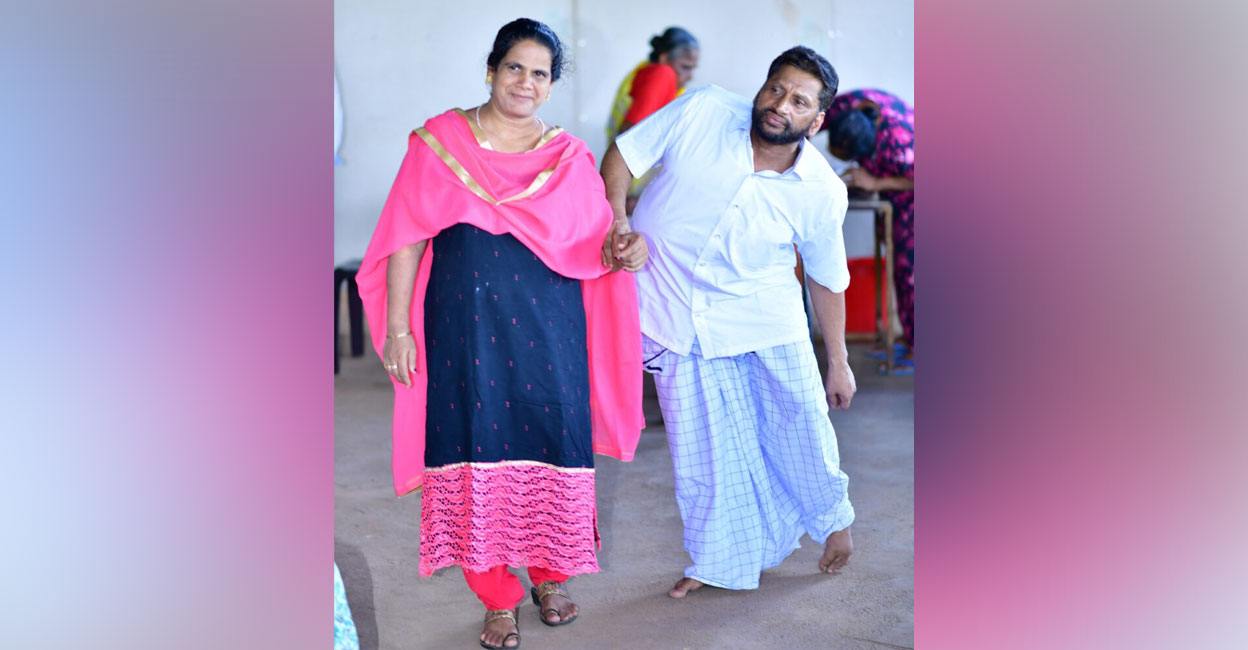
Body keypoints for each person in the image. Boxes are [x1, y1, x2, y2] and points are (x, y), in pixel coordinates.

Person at [355, 18, 649, 649]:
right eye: (515, 67)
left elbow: (598, 241)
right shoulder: (439, 143)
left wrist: (625, 247)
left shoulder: (569, 158)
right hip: (465, 329)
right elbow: (407, 237)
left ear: (550, 87)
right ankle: (495, 595)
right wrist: (399, 328)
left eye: (540, 73)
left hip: (552, 331)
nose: (526, 82)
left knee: (553, 439)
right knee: (472, 442)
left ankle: (550, 575)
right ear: (491, 70)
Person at [599, 46, 856, 598]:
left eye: (799, 102)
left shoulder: (822, 191)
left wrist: (839, 362)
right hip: (674, 314)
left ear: (818, 119)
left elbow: (827, 277)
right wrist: (618, 220)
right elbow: (622, 156)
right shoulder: (704, 110)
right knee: (704, 451)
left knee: (801, 428)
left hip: (766, 318)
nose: (780, 106)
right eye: (776, 90)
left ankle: (834, 522)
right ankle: (716, 561)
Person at [823, 89, 914, 373]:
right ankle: (908, 337)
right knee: (898, 267)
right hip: (891, 195)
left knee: (911, 271)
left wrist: (875, 183)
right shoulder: (845, 106)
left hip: (913, 195)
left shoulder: (902, 142)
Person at [605, 26, 700, 214]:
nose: (689, 76)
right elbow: (629, 137)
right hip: (634, 188)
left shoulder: (643, 71)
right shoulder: (662, 75)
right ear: (665, 58)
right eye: (685, 67)